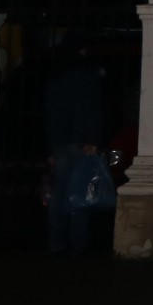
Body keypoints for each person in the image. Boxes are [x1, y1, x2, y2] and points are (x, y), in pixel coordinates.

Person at [45, 39, 105, 258]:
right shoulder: (88, 76)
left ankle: (56, 242)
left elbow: (50, 114)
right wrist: (93, 140)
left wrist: (50, 148)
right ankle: (78, 244)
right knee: (80, 194)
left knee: (58, 195)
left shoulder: (56, 76)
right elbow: (93, 110)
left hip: (61, 143)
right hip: (81, 143)